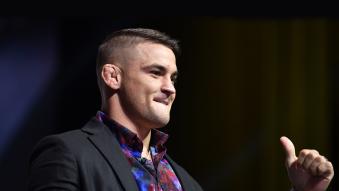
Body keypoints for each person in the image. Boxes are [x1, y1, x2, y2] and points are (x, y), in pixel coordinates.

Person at [28, 28, 334, 191]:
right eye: (155, 72)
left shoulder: (182, 179)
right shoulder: (67, 152)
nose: (170, 87)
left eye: (173, 77)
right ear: (113, 76)